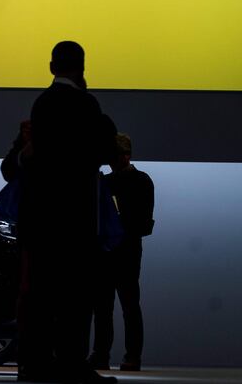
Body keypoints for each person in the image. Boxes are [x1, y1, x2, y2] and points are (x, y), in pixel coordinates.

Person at [17, 41, 117, 384]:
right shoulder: (87, 105)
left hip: (42, 218)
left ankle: (35, 364)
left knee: (40, 294)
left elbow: (36, 160)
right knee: (75, 296)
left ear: (51, 67)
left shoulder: (42, 103)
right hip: (75, 218)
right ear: (83, 66)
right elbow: (98, 154)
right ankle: (72, 363)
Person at [90, 134, 154, 372]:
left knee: (117, 306)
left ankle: (109, 354)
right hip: (118, 250)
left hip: (118, 250)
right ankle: (117, 355)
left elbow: (140, 221)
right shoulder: (137, 181)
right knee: (114, 306)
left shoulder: (132, 181)